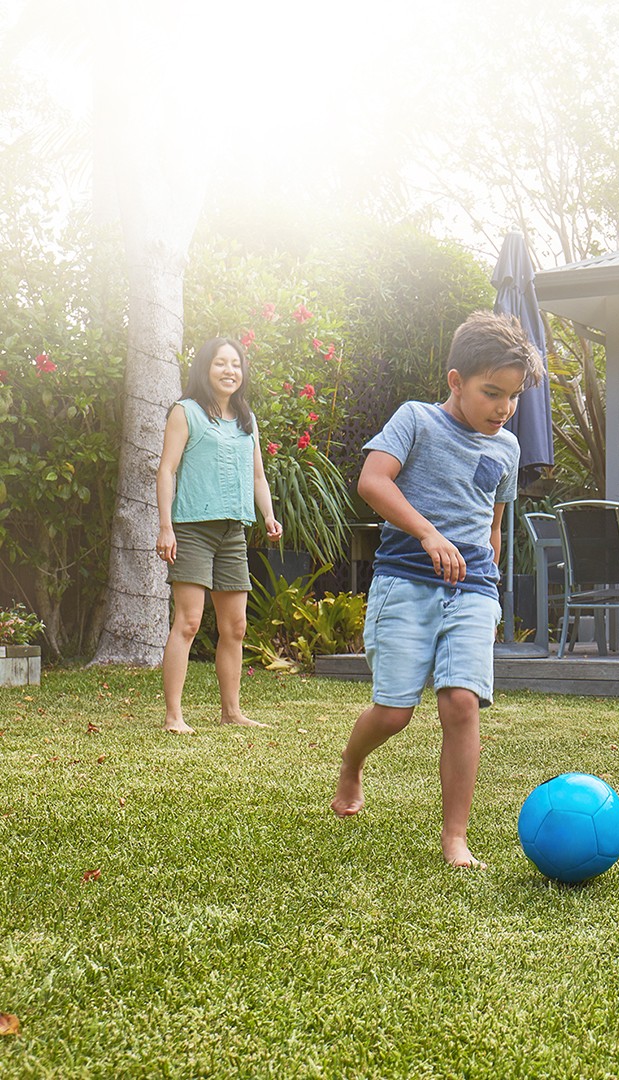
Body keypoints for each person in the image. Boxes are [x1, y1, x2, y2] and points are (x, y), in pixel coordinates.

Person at [330, 311, 542, 868]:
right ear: (455, 381)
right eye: (491, 393)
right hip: (407, 578)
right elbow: (372, 481)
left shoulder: (508, 448)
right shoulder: (416, 420)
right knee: (395, 711)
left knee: (461, 703)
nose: (503, 408)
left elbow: (494, 514)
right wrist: (427, 533)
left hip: (473, 585)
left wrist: (489, 549)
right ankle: (352, 766)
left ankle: (455, 838)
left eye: (513, 397)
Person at [157, 336, 283, 734]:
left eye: (236, 364)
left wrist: (269, 515)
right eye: (220, 363)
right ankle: (173, 716)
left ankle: (232, 711)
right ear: (205, 369)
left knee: (236, 627)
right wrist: (165, 526)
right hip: (193, 527)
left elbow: (257, 475)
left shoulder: (247, 418)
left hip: (233, 529)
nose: (230, 371)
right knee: (189, 622)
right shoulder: (186, 412)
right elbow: (167, 470)